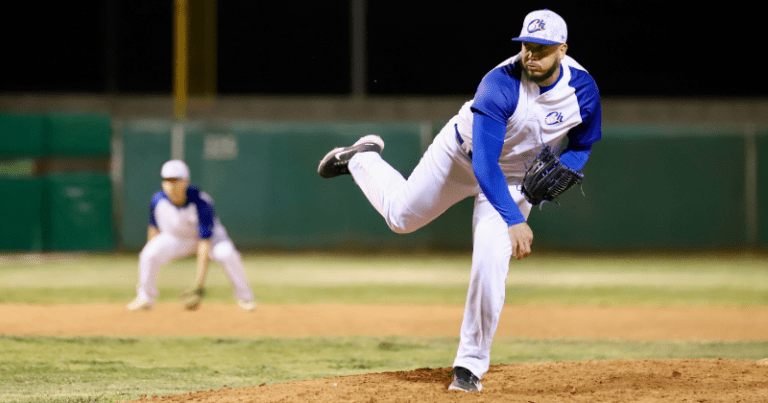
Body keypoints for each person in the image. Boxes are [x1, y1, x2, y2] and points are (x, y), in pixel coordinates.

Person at [317, 9, 601, 392]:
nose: (531, 55)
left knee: (489, 264)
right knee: (401, 218)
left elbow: (582, 144)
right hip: (461, 158)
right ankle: (363, 157)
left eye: (542, 48)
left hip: (518, 178)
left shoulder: (582, 89)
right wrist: (515, 221)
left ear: (562, 50)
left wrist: (565, 165)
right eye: (526, 46)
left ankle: (469, 368)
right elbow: (485, 165)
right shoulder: (499, 85)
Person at [127, 159, 257, 311]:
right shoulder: (158, 200)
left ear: (185, 182)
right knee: (149, 254)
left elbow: (204, 242)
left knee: (227, 254)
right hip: (177, 239)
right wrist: (153, 249)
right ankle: (145, 298)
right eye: (167, 180)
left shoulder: (201, 202)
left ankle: (245, 298)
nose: (171, 184)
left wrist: (199, 283)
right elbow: (153, 228)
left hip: (212, 240)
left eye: (176, 180)